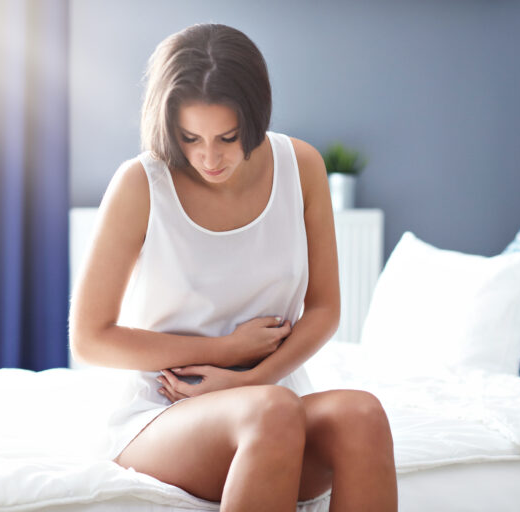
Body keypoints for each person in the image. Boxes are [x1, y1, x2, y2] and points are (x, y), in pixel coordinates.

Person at [68, 23, 397, 511]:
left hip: (271, 403)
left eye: (227, 137)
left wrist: (250, 378)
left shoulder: (301, 166)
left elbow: (325, 309)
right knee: (271, 412)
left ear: (255, 116)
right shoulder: (141, 183)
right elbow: (90, 338)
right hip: (163, 414)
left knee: (362, 415)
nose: (209, 157)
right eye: (190, 138)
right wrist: (224, 351)